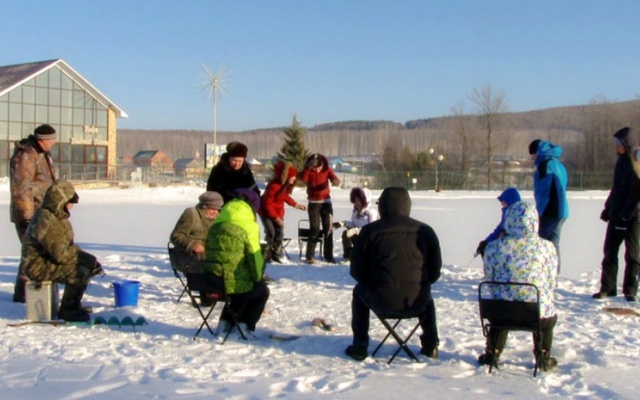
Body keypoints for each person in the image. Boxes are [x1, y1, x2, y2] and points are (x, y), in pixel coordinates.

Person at [345, 187, 441, 361]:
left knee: (359, 291)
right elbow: (435, 272)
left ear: (383, 207)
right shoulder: (425, 231)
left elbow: (356, 270)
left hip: (379, 299)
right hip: (415, 301)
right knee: (426, 293)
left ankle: (360, 346)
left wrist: (372, 283)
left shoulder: (369, 232)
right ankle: (431, 345)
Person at [478, 201, 558, 371]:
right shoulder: (547, 248)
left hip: (499, 312)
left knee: (503, 302)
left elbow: (489, 277)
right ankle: (543, 355)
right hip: (535, 313)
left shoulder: (492, 247)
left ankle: (492, 352)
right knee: (546, 308)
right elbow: (551, 281)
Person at [21, 180, 104, 322]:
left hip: (46, 261)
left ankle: (74, 305)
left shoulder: (57, 217)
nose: (71, 207)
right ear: (60, 201)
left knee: (84, 267)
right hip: (37, 266)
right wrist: (84, 259)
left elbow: (67, 246)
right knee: (79, 271)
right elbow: (61, 254)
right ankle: (68, 310)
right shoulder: (46, 221)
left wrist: (86, 258)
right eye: (69, 203)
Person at [204, 188, 270, 340]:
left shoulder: (217, 224)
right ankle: (245, 325)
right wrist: (258, 276)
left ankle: (225, 323)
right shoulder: (248, 226)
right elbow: (255, 259)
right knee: (260, 291)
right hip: (233, 285)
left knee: (236, 289)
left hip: (212, 282)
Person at [10, 124, 58, 303]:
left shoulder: (42, 154)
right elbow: (21, 189)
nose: (54, 143)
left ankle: (26, 294)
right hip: (29, 214)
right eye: (51, 140)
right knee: (32, 254)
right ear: (41, 140)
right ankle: (24, 296)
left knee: (36, 253)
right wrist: (28, 216)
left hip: (41, 212)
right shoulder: (26, 156)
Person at [593, 127, 640, 302]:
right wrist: (608, 208)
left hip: (633, 217)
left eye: (618, 143)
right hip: (616, 214)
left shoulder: (637, 161)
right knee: (610, 252)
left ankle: (630, 290)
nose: (615, 147)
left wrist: (625, 216)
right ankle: (608, 288)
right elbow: (616, 189)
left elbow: (636, 193)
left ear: (626, 143)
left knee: (633, 255)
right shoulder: (620, 161)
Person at [170, 191, 224, 305]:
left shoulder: (218, 218)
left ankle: (222, 294)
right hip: (187, 257)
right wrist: (192, 245)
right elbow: (175, 236)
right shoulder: (191, 214)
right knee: (207, 268)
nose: (215, 212)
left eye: (218, 209)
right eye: (212, 209)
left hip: (207, 257)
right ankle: (209, 294)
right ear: (204, 207)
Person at [529, 139, 569, 273]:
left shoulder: (545, 165)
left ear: (537, 153)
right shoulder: (558, 164)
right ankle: (554, 273)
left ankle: (541, 272)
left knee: (540, 243)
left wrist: (539, 212)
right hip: (562, 211)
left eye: (532, 154)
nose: (532, 157)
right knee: (554, 244)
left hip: (549, 212)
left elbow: (544, 191)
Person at [258, 160, 306, 263]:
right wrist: (276, 218)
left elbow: (284, 197)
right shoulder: (274, 186)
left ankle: (276, 253)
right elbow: (267, 204)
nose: (294, 179)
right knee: (271, 233)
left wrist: (296, 204)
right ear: (287, 177)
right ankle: (266, 255)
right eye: (292, 177)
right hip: (265, 212)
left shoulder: (284, 185)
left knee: (279, 233)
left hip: (277, 212)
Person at [300, 153, 341, 264]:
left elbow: (335, 179)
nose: (317, 170)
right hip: (313, 203)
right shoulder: (309, 171)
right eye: (315, 168)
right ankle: (310, 256)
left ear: (322, 165)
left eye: (319, 167)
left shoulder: (327, 170)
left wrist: (335, 182)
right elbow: (303, 179)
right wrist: (308, 168)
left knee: (328, 229)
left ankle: (329, 256)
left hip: (326, 202)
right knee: (315, 229)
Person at [333, 187, 379, 260]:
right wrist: (343, 223)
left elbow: (369, 229)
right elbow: (354, 224)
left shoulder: (371, 213)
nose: (356, 202)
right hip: (358, 235)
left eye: (359, 200)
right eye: (355, 200)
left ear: (365, 200)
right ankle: (348, 256)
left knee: (353, 235)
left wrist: (354, 231)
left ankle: (362, 255)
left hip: (367, 239)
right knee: (346, 234)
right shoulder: (355, 211)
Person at [475, 187, 522, 257]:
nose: (501, 204)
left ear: (509, 202)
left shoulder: (520, 217)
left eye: (503, 202)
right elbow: (499, 230)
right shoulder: (506, 215)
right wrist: (486, 242)